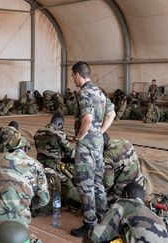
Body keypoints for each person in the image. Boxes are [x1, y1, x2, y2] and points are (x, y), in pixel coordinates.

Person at [70, 61, 116, 237]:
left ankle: (90, 224)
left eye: (73, 75)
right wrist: (100, 132)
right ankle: (103, 220)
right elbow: (112, 114)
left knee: (85, 185)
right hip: (98, 144)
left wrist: (80, 137)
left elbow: (87, 119)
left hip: (86, 147)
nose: (73, 79)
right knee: (98, 183)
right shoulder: (99, 92)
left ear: (77, 74)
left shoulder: (84, 93)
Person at [0, 135, 49, 231]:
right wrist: (27, 203)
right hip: (21, 221)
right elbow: (44, 199)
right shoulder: (37, 165)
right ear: (26, 148)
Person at [84, 183, 168, 243]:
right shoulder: (158, 218)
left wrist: (88, 234)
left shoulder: (124, 203)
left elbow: (97, 236)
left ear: (125, 195)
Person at [102, 133, 148, 204]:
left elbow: (108, 183)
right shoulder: (126, 142)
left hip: (122, 192)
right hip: (139, 185)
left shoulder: (108, 155)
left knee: (100, 202)